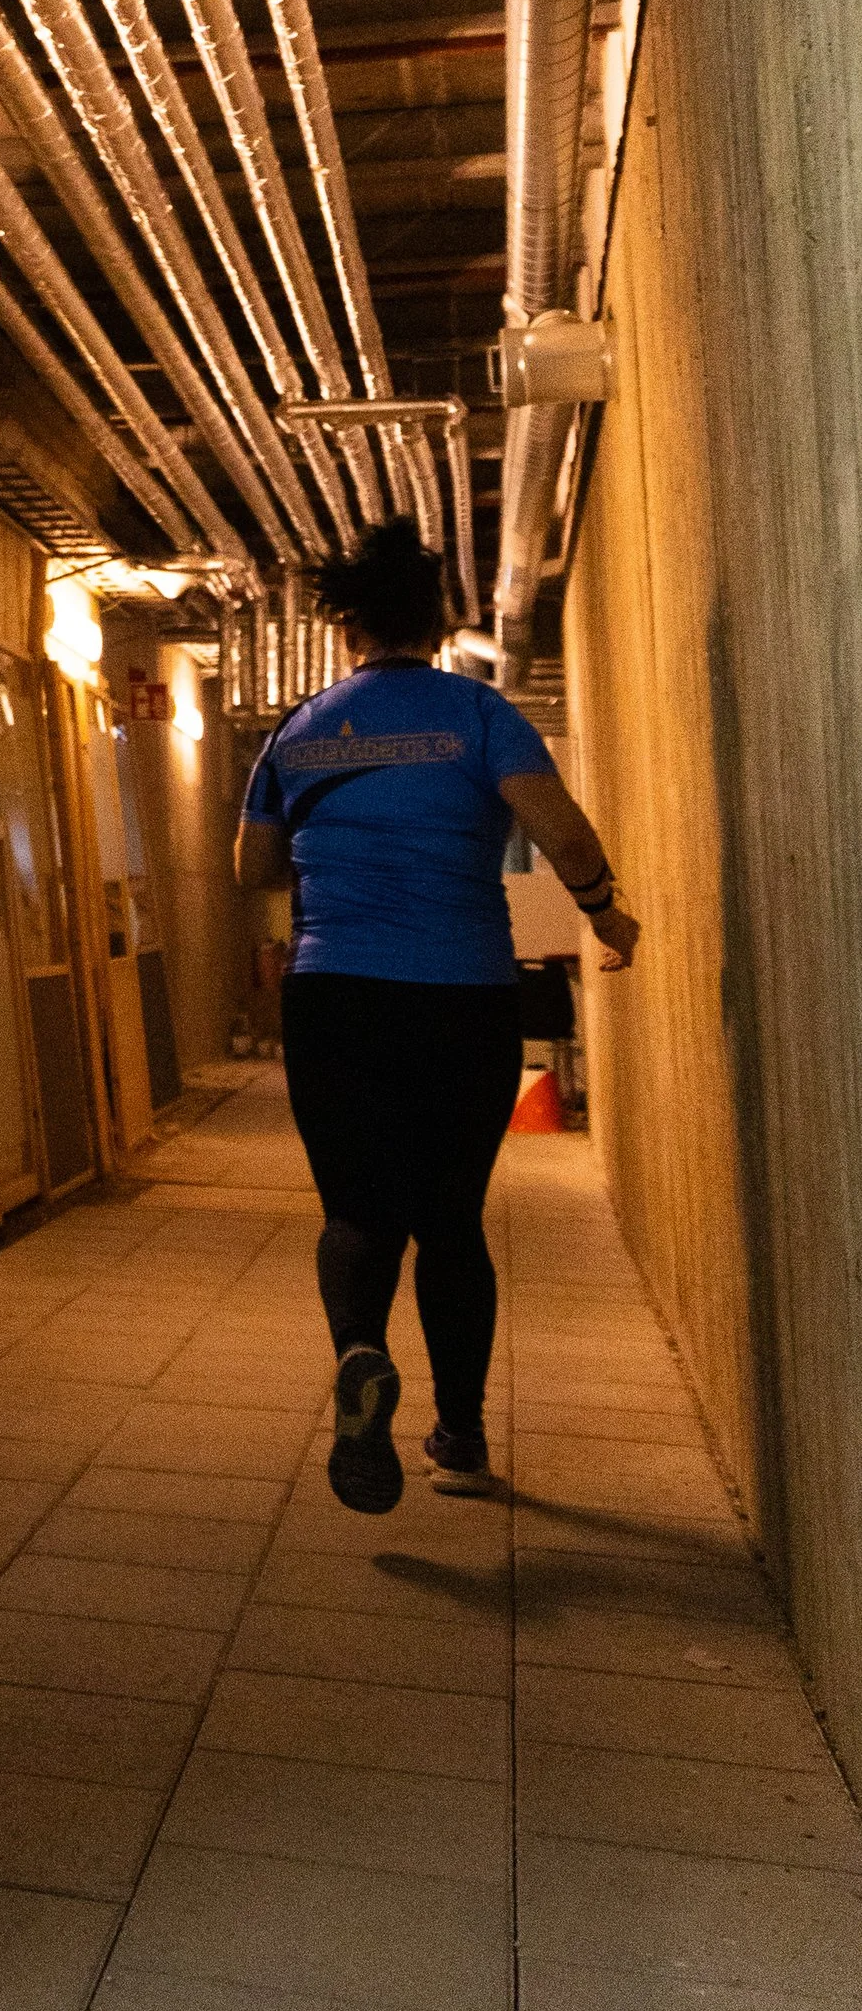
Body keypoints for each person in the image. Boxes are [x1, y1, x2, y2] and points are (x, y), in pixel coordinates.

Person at [236, 519, 639, 1512]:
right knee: (449, 1220)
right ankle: (457, 1436)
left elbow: (250, 868)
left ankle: (361, 1353)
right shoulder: (474, 711)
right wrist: (604, 911)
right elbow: (559, 826)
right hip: (460, 995)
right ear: (438, 619)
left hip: (333, 994)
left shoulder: (299, 728)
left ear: (346, 629)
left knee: (356, 1212)